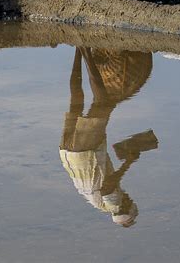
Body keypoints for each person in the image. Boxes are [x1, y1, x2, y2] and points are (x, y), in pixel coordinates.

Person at [59, 47, 156, 227]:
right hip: (67, 154)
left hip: (85, 152)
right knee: (75, 102)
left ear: (127, 205)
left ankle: (85, 50)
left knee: (103, 103)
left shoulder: (114, 206)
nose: (127, 196)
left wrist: (129, 161)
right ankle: (78, 51)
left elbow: (107, 188)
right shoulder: (95, 203)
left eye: (129, 200)